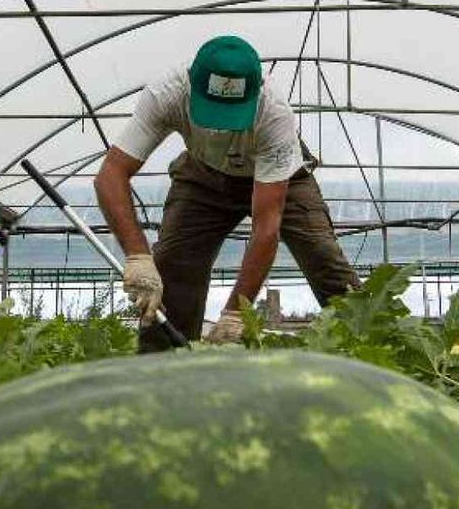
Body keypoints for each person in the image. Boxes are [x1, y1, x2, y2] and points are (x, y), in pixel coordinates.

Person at [94, 35, 360, 352]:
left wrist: (235, 313)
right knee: (173, 265)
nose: (221, 128)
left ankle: (372, 346)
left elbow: (266, 228)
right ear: (192, 85)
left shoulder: (274, 114)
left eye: (230, 115)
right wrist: (138, 256)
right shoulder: (166, 93)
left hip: (282, 179)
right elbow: (111, 174)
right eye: (212, 113)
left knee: (323, 257)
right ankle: (163, 370)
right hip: (202, 174)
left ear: (256, 91)